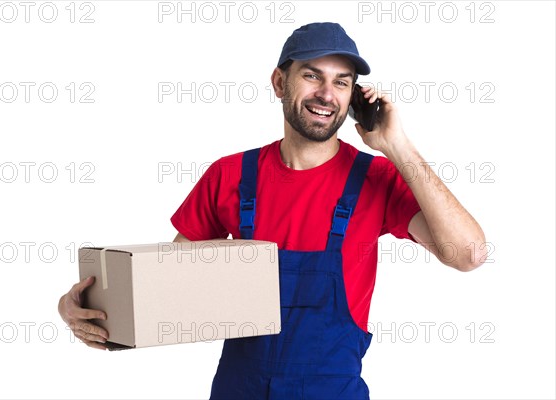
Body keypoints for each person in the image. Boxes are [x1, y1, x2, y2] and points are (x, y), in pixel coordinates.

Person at [59, 22, 487, 399]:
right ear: (280, 82)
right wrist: (77, 310)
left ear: (354, 96)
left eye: (342, 82)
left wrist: (398, 146)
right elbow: (164, 295)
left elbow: (468, 254)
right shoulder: (230, 176)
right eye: (311, 76)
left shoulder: (377, 179)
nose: (326, 93)